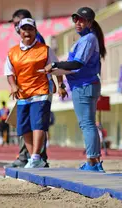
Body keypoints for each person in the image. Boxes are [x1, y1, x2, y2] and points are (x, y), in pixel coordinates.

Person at [42, 7, 106, 172]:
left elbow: (78, 64)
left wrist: (55, 65)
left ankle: (92, 162)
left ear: (90, 22)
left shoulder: (89, 39)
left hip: (84, 85)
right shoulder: (87, 38)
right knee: (88, 124)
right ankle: (95, 161)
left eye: (82, 20)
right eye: (75, 19)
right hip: (85, 85)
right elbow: (74, 65)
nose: (78, 23)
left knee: (87, 124)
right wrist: (59, 75)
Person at [4, 18, 67, 168]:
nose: (27, 32)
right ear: (19, 32)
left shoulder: (44, 50)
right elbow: (9, 72)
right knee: (24, 127)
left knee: (38, 124)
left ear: (35, 31)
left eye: (30, 29)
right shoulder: (12, 52)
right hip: (22, 94)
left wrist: (61, 85)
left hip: (41, 92)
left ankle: (35, 156)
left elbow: (56, 68)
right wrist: (13, 86)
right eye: (24, 29)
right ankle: (35, 159)